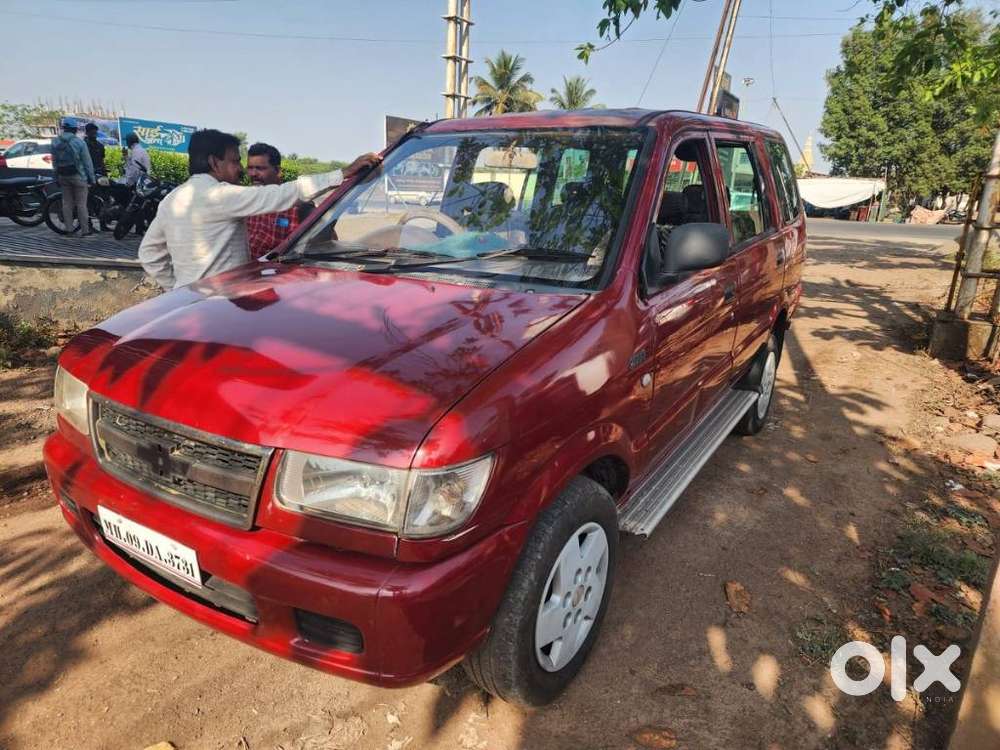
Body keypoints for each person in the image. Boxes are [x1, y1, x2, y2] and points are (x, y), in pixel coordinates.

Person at [138, 128, 381, 290]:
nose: (242, 170)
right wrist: (343, 173)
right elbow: (285, 193)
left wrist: (178, 287)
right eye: (235, 161)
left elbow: (148, 253)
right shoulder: (222, 195)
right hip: (222, 302)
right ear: (214, 162)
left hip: (185, 303)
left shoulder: (171, 200)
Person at [245, 142, 313, 259]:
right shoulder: (247, 202)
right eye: (250, 168)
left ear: (278, 171)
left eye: (260, 168)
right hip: (248, 269)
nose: (253, 174)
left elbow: (325, 245)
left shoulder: (299, 206)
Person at [50, 121, 96, 236]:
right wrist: (92, 179)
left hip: (62, 176)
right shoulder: (79, 142)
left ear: (64, 128)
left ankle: (69, 230)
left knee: (67, 203)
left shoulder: (55, 142)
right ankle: (85, 231)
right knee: (81, 204)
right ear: (75, 129)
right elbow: (87, 163)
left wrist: (56, 177)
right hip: (78, 176)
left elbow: (54, 162)